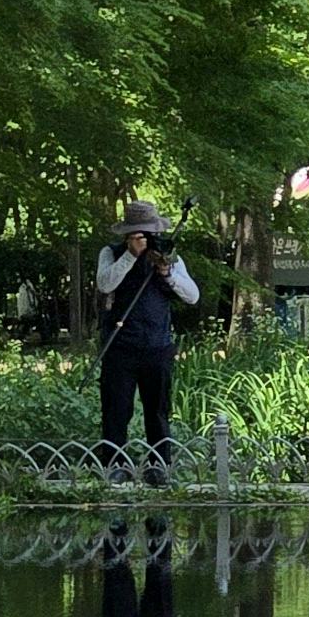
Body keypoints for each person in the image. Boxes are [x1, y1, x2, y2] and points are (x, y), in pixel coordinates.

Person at [96, 198, 197, 473]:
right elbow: (105, 284)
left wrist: (167, 273)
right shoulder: (111, 253)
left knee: (158, 411)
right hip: (119, 347)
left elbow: (192, 296)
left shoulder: (168, 255)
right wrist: (130, 255)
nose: (146, 238)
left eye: (149, 233)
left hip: (157, 346)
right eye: (139, 234)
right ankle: (115, 467)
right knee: (116, 411)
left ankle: (159, 466)